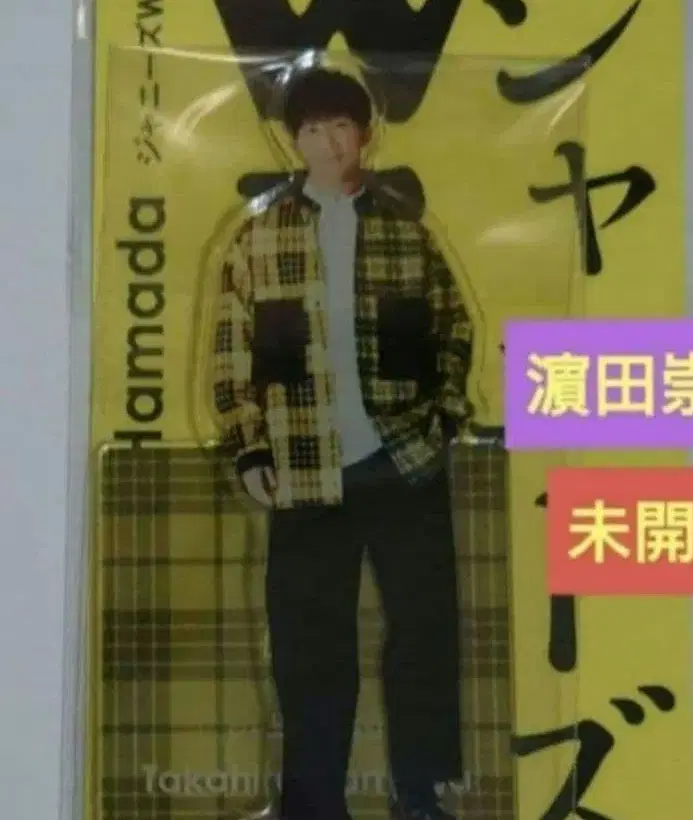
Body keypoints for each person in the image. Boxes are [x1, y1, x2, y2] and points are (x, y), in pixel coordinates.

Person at [212, 66, 474, 820]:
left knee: (423, 632)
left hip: (405, 463)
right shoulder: (259, 239)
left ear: (366, 134)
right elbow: (232, 353)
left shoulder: (404, 232)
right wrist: (249, 447)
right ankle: (313, 802)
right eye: (311, 129)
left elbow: (454, 328)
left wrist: (444, 417)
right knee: (309, 647)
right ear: (291, 140)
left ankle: (420, 795)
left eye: (341, 127)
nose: (327, 143)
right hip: (302, 472)